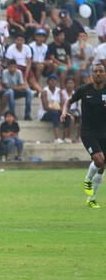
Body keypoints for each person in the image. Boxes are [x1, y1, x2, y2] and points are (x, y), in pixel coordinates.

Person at [61, 63, 106, 209]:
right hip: (88, 132)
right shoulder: (84, 90)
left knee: (102, 165)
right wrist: (64, 111)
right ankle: (87, 179)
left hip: (104, 132)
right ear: (92, 74)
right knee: (99, 160)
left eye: (101, 71)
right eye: (96, 71)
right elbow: (69, 101)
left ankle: (91, 198)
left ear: (104, 74)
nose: (98, 73)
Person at [39, 75, 72, 143]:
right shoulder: (44, 91)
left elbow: (62, 104)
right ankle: (56, 138)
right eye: (51, 80)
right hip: (44, 114)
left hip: (56, 111)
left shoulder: (59, 91)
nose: (53, 82)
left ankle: (67, 137)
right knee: (55, 114)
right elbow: (45, 107)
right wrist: (57, 109)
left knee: (67, 115)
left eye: (55, 80)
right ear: (48, 82)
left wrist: (62, 111)